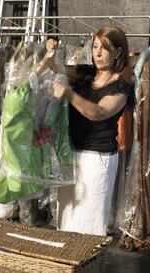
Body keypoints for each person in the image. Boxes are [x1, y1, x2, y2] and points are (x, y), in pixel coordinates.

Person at [51, 26, 132, 235]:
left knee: (89, 225)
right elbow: (54, 68)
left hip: (98, 159)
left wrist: (70, 95)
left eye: (104, 48)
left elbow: (98, 112)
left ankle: (86, 266)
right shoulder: (85, 74)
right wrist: (50, 51)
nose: (97, 53)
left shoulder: (122, 87)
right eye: (95, 46)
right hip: (71, 154)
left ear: (118, 52)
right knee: (66, 218)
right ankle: (64, 265)